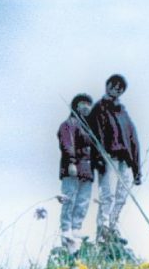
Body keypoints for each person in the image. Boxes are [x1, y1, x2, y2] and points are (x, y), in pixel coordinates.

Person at [87, 74, 141, 244]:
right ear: (107, 85)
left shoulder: (124, 113)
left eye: (120, 87)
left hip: (124, 161)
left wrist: (137, 169)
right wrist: (99, 158)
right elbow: (93, 135)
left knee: (121, 196)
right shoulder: (98, 109)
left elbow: (133, 140)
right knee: (107, 196)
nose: (116, 89)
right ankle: (102, 231)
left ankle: (113, 228)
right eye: (114, 85)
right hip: (107, 158)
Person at [57, 93, 95, 252]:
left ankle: (76, 227)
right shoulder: (69, 124)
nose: (86, 106)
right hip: (73, 168)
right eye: (83, 103)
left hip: (87, 169)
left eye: (88, 104)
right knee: (69, 199)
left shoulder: (88, 128)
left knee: (83, 201)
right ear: (76, 106)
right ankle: (66, 229)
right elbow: (67, 144)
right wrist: (71, 161)